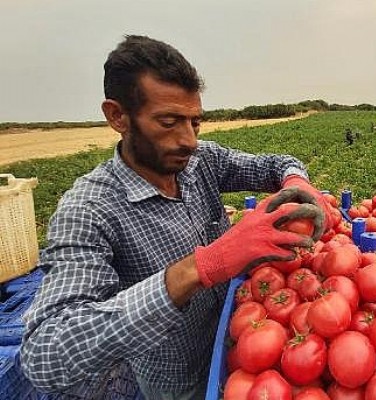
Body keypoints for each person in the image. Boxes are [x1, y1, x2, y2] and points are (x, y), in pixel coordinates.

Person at [19, 35, 332, 400]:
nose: (189, 140)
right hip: (177, 377)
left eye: (195, 123)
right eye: (168, 122)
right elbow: (45, 355)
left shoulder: (201, 162)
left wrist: (296, 180)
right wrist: (202, 266)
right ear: (117, 116)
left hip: (241, 339)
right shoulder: (88, 210)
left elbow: (275, 164)